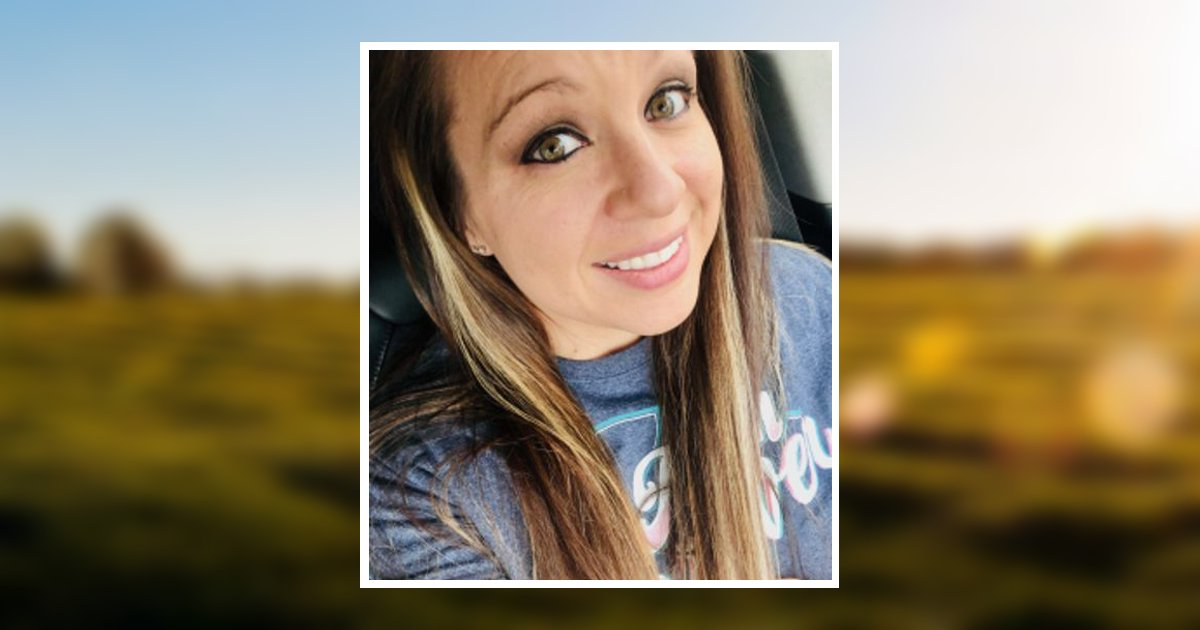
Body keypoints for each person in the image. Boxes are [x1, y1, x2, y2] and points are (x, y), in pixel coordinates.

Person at [369, 50, 832, 580]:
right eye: (554, 145)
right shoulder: (424, 494)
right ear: (458, 213)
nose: (660, 192)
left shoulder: (806, 293)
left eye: (666, 101)